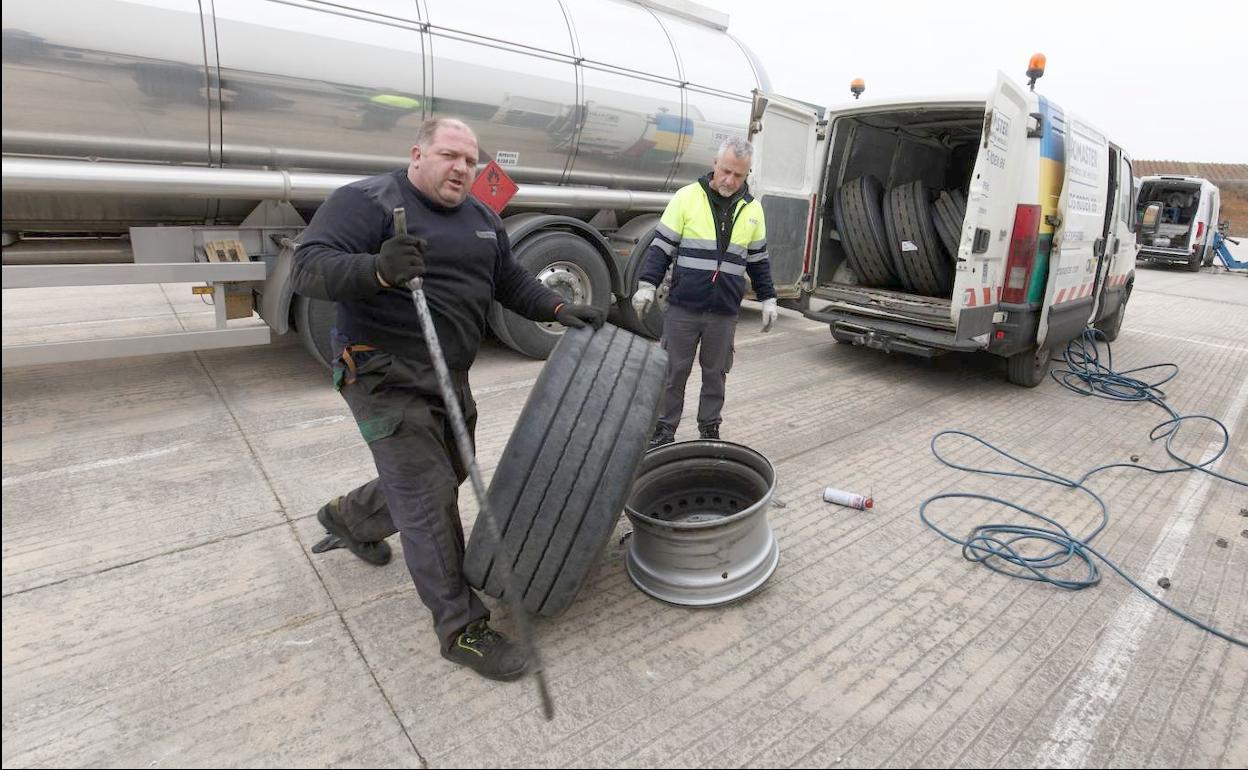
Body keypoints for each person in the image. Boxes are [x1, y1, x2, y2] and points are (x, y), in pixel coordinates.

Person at [292, 117, 603, 681]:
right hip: (381, 371)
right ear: (417, 154)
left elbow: (509, 281)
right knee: (429, 494)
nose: (461, 167)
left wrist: (557, 310)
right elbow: (308, 267)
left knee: (448, 470)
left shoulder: (482, 219)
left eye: (471, 159)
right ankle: (461, 627)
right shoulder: (367, 203)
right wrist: (378, 270)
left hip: (449, 373)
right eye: (448, 155)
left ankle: (348, 518)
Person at [631, 138, 777, 448]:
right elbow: (661, 248)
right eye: (726, 171)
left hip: (723, 311)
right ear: (714, 163)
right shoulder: (686, 198)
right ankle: (663, 429)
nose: (730, 180)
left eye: (739, 175)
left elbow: (759, 261)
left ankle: (709, 427)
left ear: (747, 173)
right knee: (672, 373)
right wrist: (646, 285)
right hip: (684, 307)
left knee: (716, 374)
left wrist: (768, 298)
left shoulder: (753, 209)